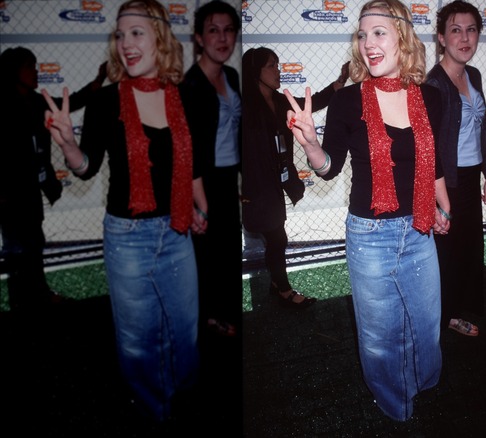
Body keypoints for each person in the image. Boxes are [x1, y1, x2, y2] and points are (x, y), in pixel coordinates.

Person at [283, 0, 451, 421]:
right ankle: (396, 407)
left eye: (378, 32)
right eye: (362, 34)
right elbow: (329, 168)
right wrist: (310, 145)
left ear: (403, 37)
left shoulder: (431, 97)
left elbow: (432, 162)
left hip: (419, 228)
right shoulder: (346, 101)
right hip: (369, 236)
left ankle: (423, 388)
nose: (368, 43)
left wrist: (441, 206)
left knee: (427, 326)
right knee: (380, 338)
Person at [42, 0, 207, 421]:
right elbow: (86, 168)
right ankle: (153, 411)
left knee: (184, 332)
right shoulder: (105, 101)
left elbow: (187, 165)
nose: (126, 44)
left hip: (176, 230)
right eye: (120, 35)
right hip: (127, 237)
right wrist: (67, 145)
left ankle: (182, 404)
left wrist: (197, 208)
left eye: (136, 32)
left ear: (159, 38)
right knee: (137, 340)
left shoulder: (183, 96)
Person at [241, 46, 347, 308]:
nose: (277, 70)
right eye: (271, 65)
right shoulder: (241, 104)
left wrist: (341, 81)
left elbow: (318, 101)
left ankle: (278, 286)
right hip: (254, 185)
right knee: (277, 237)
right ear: (255, 71)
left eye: (278, 65)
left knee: (277, 236)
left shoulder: (278, 101)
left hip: (274, 181)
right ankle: (282, 289)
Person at [0, 47, 105, 311]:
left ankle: (39, 294)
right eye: (29, 66)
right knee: (17, 250)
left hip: (31, 188)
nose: (35, 71)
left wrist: (98, 81)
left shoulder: (35, 102)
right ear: (14, 71)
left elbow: (74, 101)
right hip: (9, 192)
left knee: (34, 243)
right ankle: (19, 302)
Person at [424, 0, 486, 337]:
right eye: (455, 30)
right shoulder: (433, 84)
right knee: (444, 255)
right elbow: (429, 148)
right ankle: (435, 322)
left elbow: (481, 129)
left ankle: (452, 314)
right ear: (441, 37)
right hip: (444, 184)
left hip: (469, 178)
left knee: (467, 250)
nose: (464, 38)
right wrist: (437, 200)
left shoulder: (474, 74)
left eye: (471, 30)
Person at [180, 0, 241, 338]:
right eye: (213, 30)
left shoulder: (230, 75)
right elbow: (188, 151)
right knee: (207, 255)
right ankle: (207, 318)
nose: (222, 38)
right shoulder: (190, 86)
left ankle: (219, 312)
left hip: (227, 177)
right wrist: (196, 200)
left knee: (227, 251)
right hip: (202, 182)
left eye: (229, 30)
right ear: (200, 39)